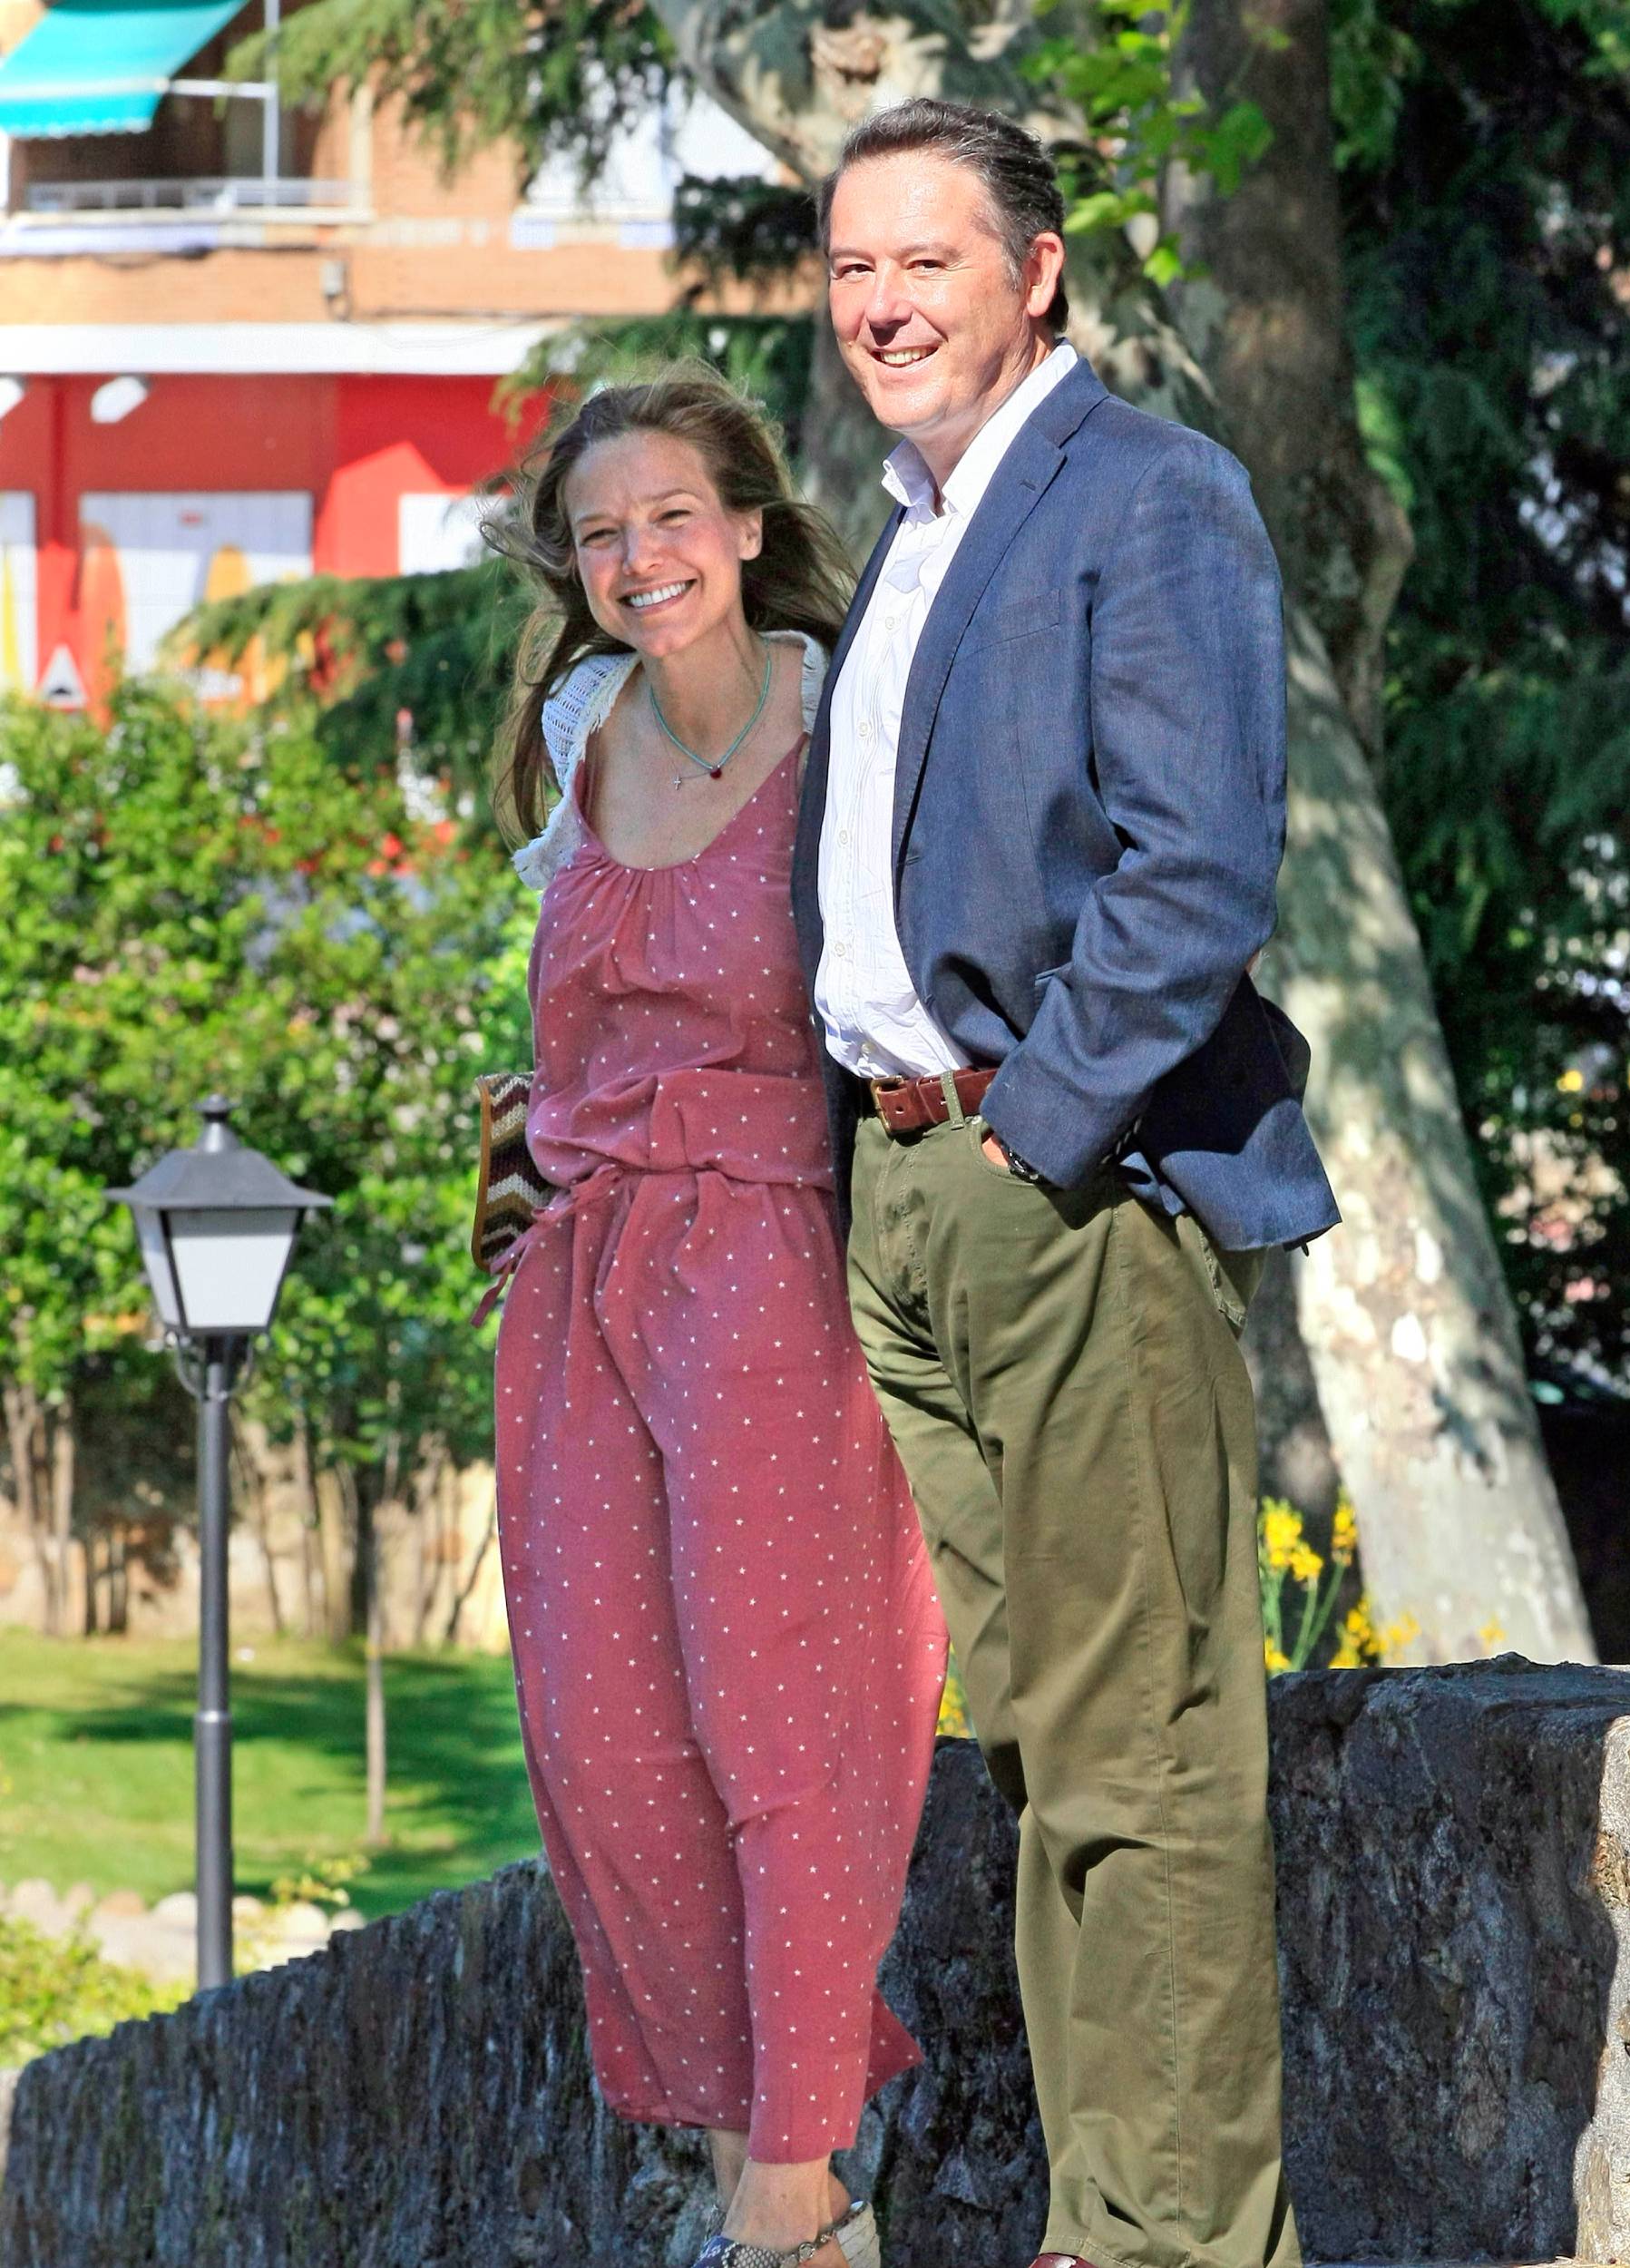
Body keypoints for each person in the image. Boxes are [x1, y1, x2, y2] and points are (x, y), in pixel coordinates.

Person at [791, 100, 1342, 2268]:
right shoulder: (913, 526)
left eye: (924, 259)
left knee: (1149, 1760)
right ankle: (1109, 2221)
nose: (881, 303)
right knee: (1036, 1744)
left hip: (1060, 1184)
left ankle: (1187, 2244)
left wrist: (1038, 1126)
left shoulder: (1150, 495)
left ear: (1037, 271)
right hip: (907, 1202)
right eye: (848, 269)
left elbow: (1198, 862)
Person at [487, 371, 946, 2268]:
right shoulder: (580, 731)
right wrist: (517, 1208)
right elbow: (537, 1030)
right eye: (602, 532)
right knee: (600, 1735)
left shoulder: (848, 723)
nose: (638, 557)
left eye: (671, 515)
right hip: (585, 1270)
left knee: (791, 1713)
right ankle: (740, 2118)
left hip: (770, 1248)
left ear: (749, 525)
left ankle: (797, 2165)